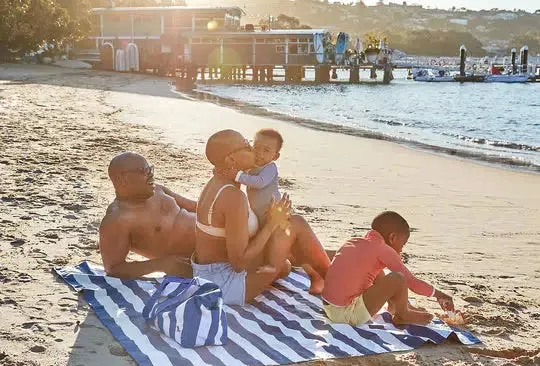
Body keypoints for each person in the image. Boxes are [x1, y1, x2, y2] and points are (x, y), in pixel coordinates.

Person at [192, 129, 330, 304]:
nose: (253, 151)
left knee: (285, 266)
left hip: (209, 274)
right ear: (232, 160)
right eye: (248, 146)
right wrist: (272, 224)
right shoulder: (233, 196)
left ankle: (320, 276)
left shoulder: (218, 182)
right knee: (296, 223)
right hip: (224, 285)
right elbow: (239, 263)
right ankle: (335, 284)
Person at [322, 211, 455, 326]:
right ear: (392, 237)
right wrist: (440, 295)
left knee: (378, 270)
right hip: (347, 315)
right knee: (398, 278)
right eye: (403, 244)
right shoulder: (382, 249)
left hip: (329, 307)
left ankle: (395, 307)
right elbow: (413, 283)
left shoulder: (354, 242)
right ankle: (402, 315)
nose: (402, 249)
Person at [99, 152, 197, 279]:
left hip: (217, 231)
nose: (151, 174)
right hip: (206, 257)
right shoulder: (117, 219)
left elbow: (196, 207)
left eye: (150, 169)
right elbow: (113, 268)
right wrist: (160, 265)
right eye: (144, 171)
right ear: (123, 179)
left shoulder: (158, 190)